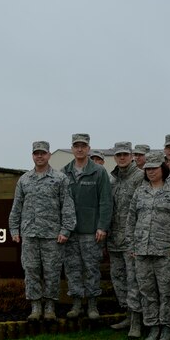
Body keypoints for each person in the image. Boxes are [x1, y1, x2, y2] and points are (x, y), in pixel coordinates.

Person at [127, 152, 170, 340]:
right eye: (147, 169)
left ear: (162, 169)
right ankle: (152, 326)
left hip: (166, 253)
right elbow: (131, 220)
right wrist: (132, 245)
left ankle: (167, 328)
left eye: (154, 168)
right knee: (147, 292)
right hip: (142, 252)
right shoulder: (140, 192)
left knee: (167, 292)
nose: (151, 172)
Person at [8, 141, 75, 321]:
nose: (39, 156)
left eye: (43, 153)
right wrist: (14, 228)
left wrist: (65, 230)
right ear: (32, 155)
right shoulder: (24, 180)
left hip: (52, 235)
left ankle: (50, 306)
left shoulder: (60, 179)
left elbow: (67, 207)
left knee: (52, 271)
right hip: (30, 234)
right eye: (36, 153)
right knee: (31, 270)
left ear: (49, 155)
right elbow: (17, 207)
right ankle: (36, 306)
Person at [60, 134, 113, 320]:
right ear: (72, 148)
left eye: (83, 146)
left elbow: (106, 202)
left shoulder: (98, 172)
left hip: (91, 231)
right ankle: (76, 304)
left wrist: (102, 227)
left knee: (91, 268)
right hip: (70, 232)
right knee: (72, 269)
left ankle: (92, 305)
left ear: (89, 148)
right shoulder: (64, 172)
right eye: (76, 146)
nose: (80, 149)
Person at [107, 141, 145, 337]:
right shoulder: (113, 180)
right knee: (119, 279)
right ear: (114, 157)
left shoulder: (139, 177)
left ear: (131, 156)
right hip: (114, 239)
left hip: (132, 240)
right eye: (118, 155)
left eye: (125, 154)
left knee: (134, 281)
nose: (122, 158)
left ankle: (137, 321)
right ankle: (128, 315)